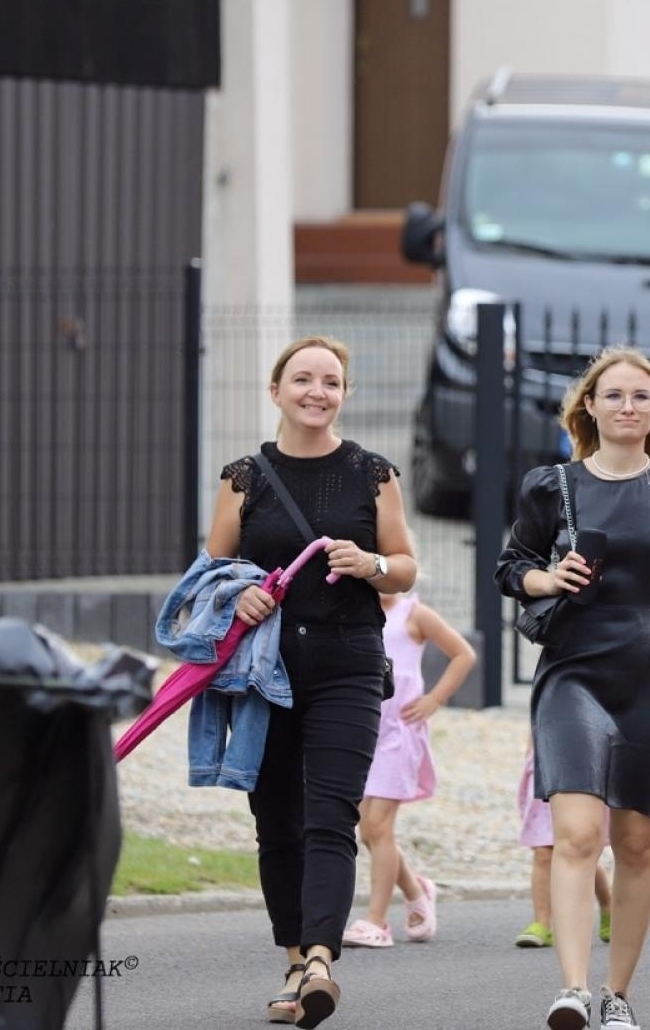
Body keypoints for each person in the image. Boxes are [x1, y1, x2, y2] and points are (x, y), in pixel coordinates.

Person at [496, 346, 650, 1030]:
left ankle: (616, 994)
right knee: (574, 833)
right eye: (614, 395)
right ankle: (572, 989)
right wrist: (549, 578)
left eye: (641, 396)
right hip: (572, 664)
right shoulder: (551, 484)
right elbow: (512, 566)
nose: (628, 406)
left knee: (635, 844)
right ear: (589, 408)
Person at [205, 335, 418, 1028]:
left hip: (349, 662)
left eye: (331, 381)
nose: (317, 392)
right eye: (303, 379)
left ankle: (322, 958)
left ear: (345, 395)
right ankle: (295, 959)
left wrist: (373, 566)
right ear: (276, 392)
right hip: (263, 674)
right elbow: (210, 573)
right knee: (276, 821)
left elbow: (408, 564)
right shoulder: (244, 477)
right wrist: (236, 596)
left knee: (332, 815)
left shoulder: (372, 472)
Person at [342, 590, 476, 949]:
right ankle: (417, 889)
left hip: (399, 734)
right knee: (368, 831)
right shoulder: (355, 609)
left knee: (377, 826)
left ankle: (377, 922)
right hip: (365, 730)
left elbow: (464, 654)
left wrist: (435, 698)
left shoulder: (414, 614)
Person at [516, 740, 614, 949]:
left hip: (584, 764)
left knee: (580, 852)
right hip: (547, 761)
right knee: (543, 851)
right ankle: (541, 923)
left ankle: (608, 905)